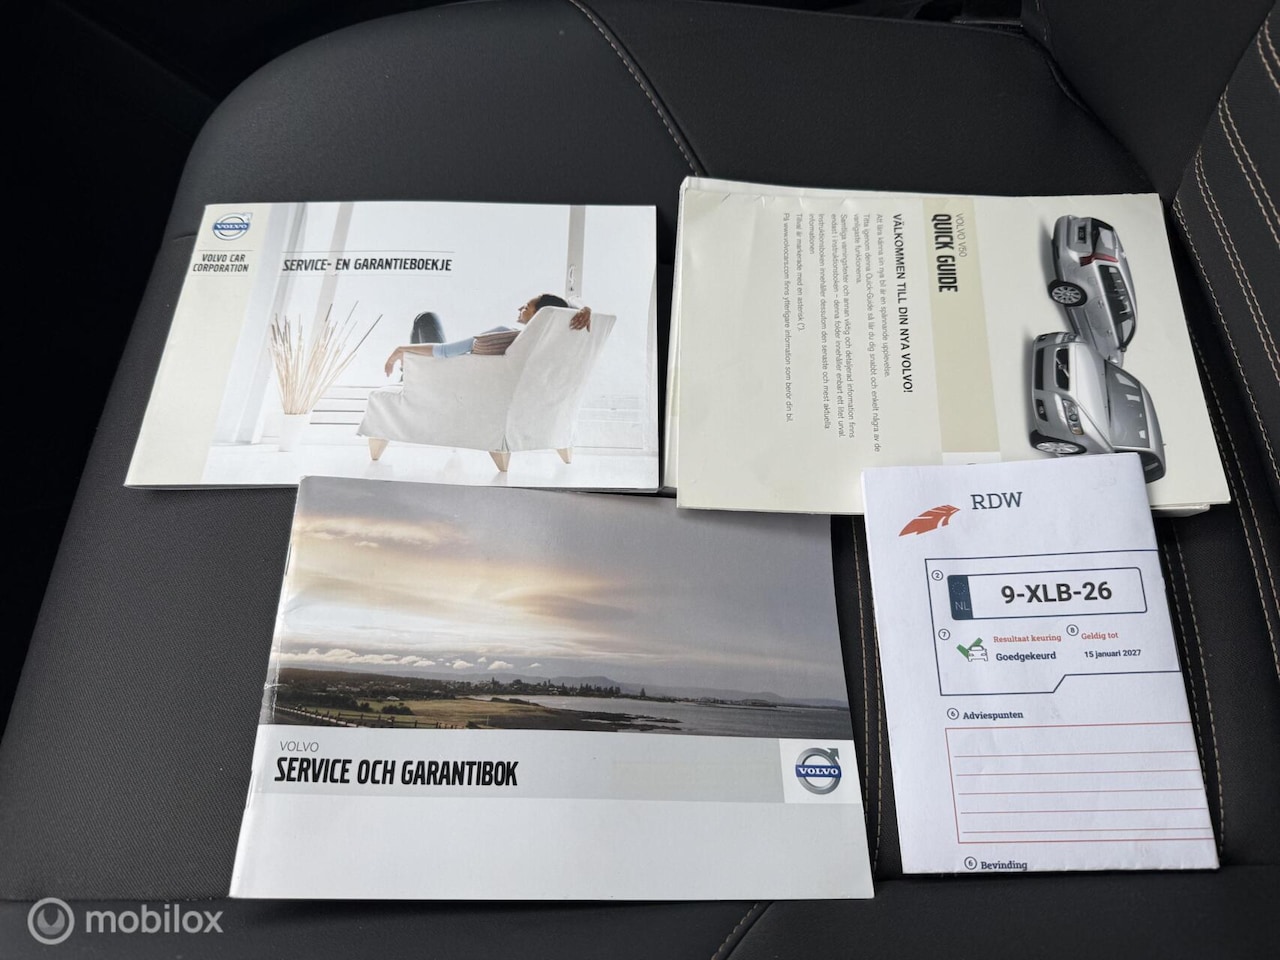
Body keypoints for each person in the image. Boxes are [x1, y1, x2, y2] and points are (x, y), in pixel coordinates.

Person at [383, 294, 592, 376]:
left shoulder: (504, 333)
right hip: (458, 371)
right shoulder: (537, 344)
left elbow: (446, 352)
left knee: (425, 318)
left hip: (445, 371)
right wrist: (584, 308)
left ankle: (406, 375)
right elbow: (572, 300)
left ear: (539, 315)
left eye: (527, 307)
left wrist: (400, 350)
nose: (520, 308)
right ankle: (406, 373)